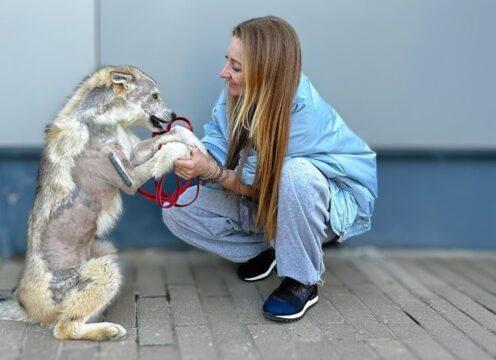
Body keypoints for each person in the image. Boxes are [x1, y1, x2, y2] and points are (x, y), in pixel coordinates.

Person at [162, 16, 378, 322]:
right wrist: (188, 151)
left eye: (236, 67)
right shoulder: (237, 93)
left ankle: (301, 280)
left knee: (296, 175)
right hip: (271, 201)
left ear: (265, 73)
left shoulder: (301, 113)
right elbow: (220, 141)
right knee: (176, 210)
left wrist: (211, 171)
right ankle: (273, 249)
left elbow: (257, 186)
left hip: (323, 207)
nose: (224, 73)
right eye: (228, 61)